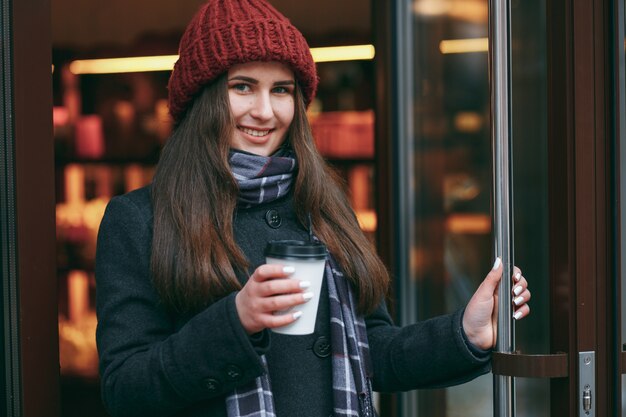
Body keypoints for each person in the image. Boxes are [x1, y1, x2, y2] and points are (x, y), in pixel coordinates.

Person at [94, 0, 531, 416]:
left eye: (281, 90)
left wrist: (463, 335)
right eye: (242, 86)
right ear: (201, 97)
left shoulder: (323, 203)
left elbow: (373, 350)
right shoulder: (138, 221)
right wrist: (234, 322)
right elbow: (125, 389)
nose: (264, 111)